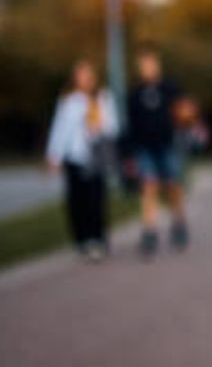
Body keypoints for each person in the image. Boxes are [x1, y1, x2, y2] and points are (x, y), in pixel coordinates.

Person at [45, 59, 118, 261]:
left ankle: (98, 238)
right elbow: (59, 130)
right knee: (77, 201)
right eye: (81, 75)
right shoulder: (68, 101)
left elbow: (113, 127)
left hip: (96, 156)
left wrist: (100, 125)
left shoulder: (103, 98)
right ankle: (82, 240)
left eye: (88, 74)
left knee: (96, 199)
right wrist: (54, 155)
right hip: (75, 156)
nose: (85, 79)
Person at [123, 45, 190, 258]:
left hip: (167, 144)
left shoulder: (170, 88)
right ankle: (150, 230)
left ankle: (179, 222)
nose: (148, 68)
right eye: (144, 64)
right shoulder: (134, 94)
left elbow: (184, 112)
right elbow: (130, 126)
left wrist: (185, 116)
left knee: (173, 185)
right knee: (149, 186)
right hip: (144, 147)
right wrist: (129, 153)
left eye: (151, 63)